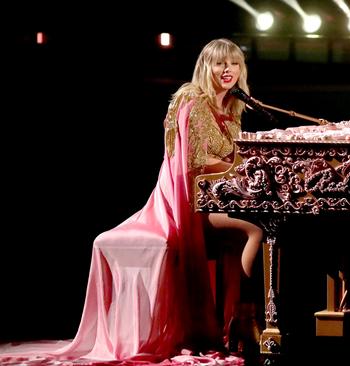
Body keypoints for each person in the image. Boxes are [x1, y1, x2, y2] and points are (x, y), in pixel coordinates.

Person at [0, 38, 263, 364]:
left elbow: (229, 157)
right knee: (254, 229)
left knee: (255, 225)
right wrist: (239, 165)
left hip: (214, 199)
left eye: (234, 63)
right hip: (184, 203)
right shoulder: (192, 101)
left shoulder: (233, 107)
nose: (228, 70)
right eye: (220, 63)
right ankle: (249, 319)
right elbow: (194, 162)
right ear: (206, 67)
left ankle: (238, 320)